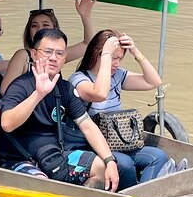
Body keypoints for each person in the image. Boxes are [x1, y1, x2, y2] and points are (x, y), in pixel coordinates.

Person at [0, 28, 119, 191]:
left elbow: (88, 126)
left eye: (60, 54)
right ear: (34, 54)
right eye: (48, 52)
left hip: (54, 157)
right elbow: (7, 124)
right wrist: (38, 94)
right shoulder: (20, 86)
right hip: (19, 160)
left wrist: (109, 160)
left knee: (100, 167)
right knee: (42, 183)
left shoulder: (65, 88)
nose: (54, 58)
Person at [68, 29, 172, 188]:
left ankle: (145, 195)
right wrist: (106, 57)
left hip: (122, 142)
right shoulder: (79, 79)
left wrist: (135, 51)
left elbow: (154, 82)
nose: (116, 64)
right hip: (96, 146)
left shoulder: (118, 76)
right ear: (98, 55)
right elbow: (99, 93)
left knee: (158, 156)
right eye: (113, 58)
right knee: (125, 164)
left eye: (120, 59)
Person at [0, 0, 96, 94]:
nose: (40, 29)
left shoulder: (57, 55)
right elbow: (5, 90)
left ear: (55, 29)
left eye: (45, 25)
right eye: (34, 26)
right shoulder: (23, 56)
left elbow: (88, 45)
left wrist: (85, 16)